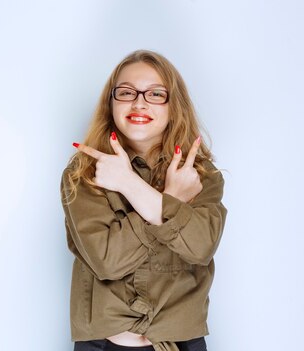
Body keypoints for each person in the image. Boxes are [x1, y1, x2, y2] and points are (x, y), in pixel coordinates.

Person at [60, 50, 227, 351]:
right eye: (126, 92)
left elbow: (201, 246)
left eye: (155, 94)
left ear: (174, 106)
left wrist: (128, 184)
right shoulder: (84, 172)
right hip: (103, 345)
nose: (139, 102)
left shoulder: (201, 175)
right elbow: (108, 262)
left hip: (182, 343)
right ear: (110, 104)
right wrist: (171, 201)